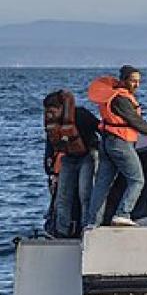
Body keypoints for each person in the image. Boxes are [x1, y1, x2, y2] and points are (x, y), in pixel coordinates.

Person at [85, 67, 147, 228]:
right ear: (124, 80)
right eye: (133, 81)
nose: (137, 85)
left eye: (139, 81)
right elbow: (135, 121)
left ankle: (93, 223)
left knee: (102, 185)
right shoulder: (121, 100)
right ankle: (122, 214)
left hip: (107, 142)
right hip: (120, 143)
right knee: (137, 180)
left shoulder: (112, 97)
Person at [43, 89, 99, 237]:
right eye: (48, 111)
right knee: (63, 196)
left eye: (53, 110)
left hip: (87, 156)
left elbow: (99, 128)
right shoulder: (51, 123)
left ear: (62, 108)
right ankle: (61, 230)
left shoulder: (80, 115)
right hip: (68, 158)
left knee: (85, 194)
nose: (50, 114)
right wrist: (50, 170)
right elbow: (50, 146)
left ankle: (86, 228)